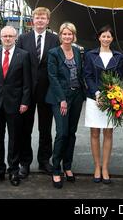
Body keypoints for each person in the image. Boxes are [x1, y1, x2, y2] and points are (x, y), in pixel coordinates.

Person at [0, 26, 31, 187]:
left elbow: (27, 82)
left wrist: (25, 102)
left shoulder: (23, 56)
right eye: (5, 36)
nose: (7, 38)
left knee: (14, 139)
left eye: (10, 36)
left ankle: (13, 171)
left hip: (16, 105)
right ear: (1, 38)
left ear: (15, 37)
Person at [17, 7, 60, 178]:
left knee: (45, 128)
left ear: (48, 21)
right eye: (37, 18)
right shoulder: (22, 39)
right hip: (26, 91)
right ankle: (24, 163)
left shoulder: (55, 39)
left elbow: (57, 65)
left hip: (46, 91)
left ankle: (44, 161)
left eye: (43, 18)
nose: (40, 20)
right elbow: (18, 65)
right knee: (25, 128)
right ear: (32, 20)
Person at [45, 22, 86, 188]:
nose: (67, 37)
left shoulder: (77, 51)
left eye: (70, 34)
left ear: (74, 36)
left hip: (76, 96)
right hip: (59, 97)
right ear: (60, 35)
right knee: (62, 133)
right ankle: (56, 169)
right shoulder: (53, 53)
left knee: (72, 132)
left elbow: (80, 73)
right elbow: (52, 77)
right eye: (65, 34)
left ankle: (67, 166)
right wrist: (62, 99)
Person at [84, 25, 123, 184]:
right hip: (94, 99)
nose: (106, 39)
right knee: (94, 133)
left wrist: (112, 96)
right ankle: (97, 167)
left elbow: (120, 78)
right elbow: (87, 76)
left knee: (108, 133)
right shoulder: (90, 55)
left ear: (112, 39)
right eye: (103, 36)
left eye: (109, 37)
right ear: (99, 38)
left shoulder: (119, 56)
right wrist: (97, 93)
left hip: (111, 100)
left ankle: (105, 167)